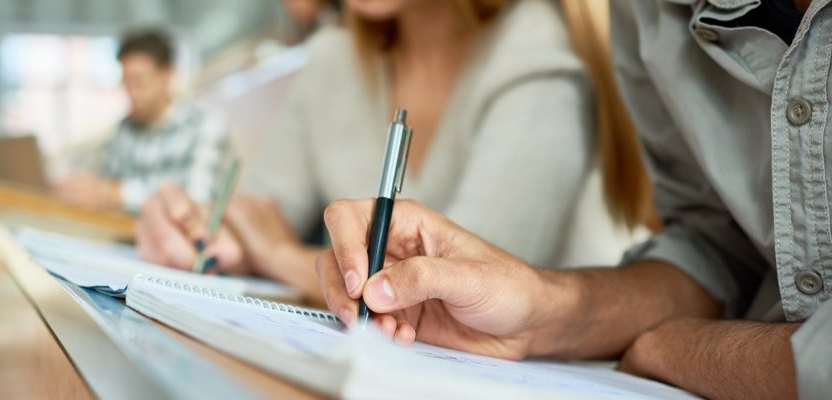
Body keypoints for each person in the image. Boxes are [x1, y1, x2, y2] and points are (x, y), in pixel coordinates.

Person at [317, 0, 830, 399]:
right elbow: (722, 245)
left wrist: (688, 349)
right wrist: (545, 307)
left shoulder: (537, 42)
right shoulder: (648, 11)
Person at [136, 0, 650, 305]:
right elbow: (261, 209)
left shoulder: (541, 45)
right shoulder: (333, 56)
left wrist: (275, 255)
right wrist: (201, 229)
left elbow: (463, 290)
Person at [54, 30, 228, 213]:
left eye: (139, 82)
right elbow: (105, 182)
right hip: (122, 233)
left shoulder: (205, 127)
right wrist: (87, 187)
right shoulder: (125, 128)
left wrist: (115, 194)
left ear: (167, 74)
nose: (132, 93)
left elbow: (197, 201)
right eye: (126, 83)